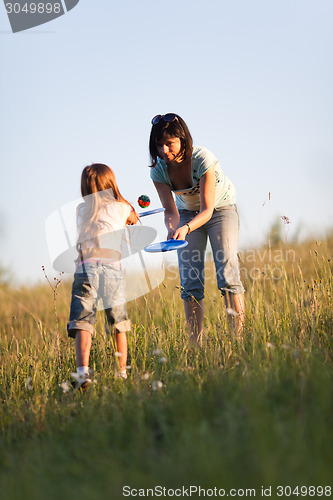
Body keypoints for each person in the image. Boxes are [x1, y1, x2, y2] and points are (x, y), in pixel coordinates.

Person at [149, 113, 245, 343]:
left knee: (227, 273)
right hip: (187, 214)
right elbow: (171, 212)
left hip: (220, 210)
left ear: (182, 139)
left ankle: (238, 340)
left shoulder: (203, 159)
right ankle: (195, 346)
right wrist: (174, 230)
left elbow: (207, 210)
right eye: (159, 145)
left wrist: (186, 228)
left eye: (169, 143)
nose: (164, 150)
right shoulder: (158, 171)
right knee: (190, 281)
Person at [67, 163, 139, 389]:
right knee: (118, 321)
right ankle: (121, 374)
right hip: (111, 269)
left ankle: (82, 373)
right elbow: (134, 219)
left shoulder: (81, 210)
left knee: (83, 322)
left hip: (85, 268)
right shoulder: (121, 207)